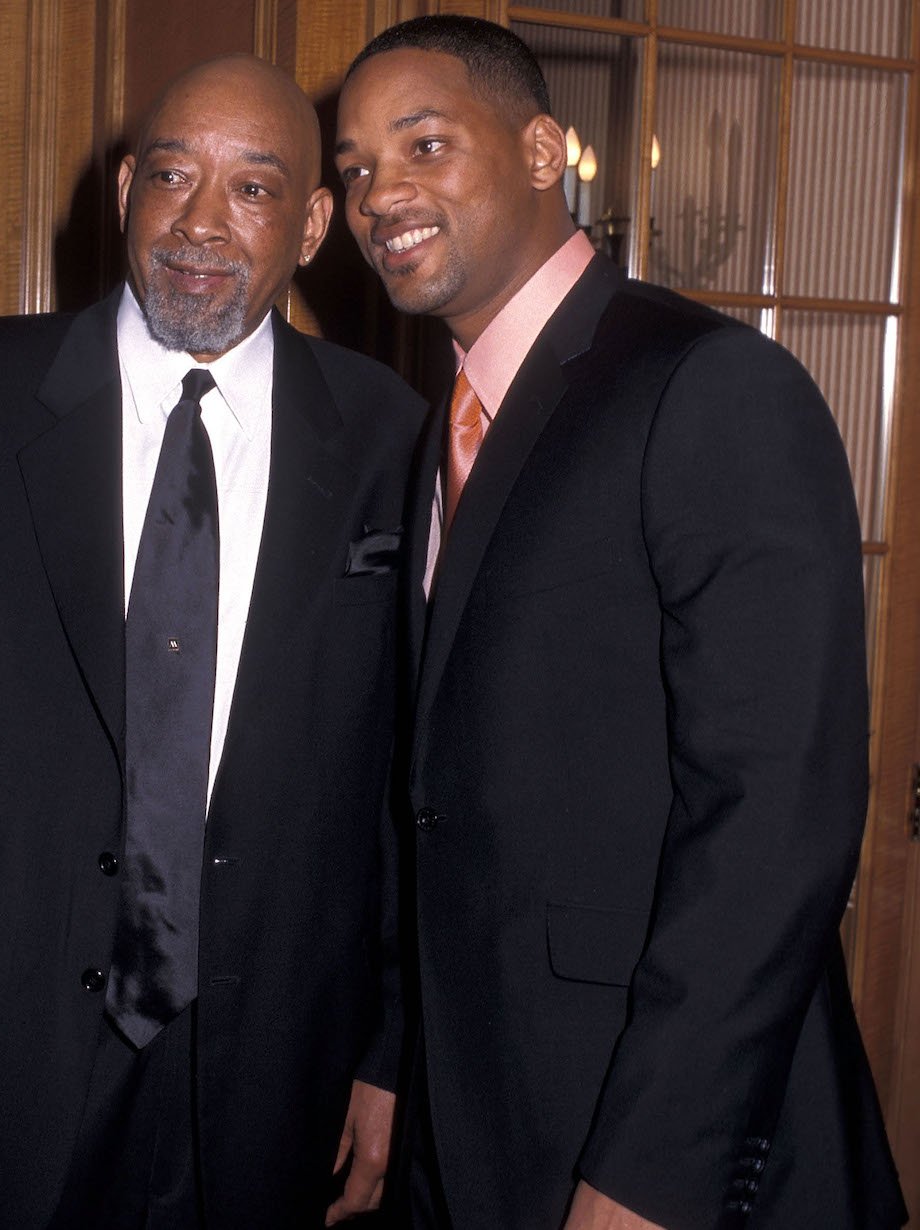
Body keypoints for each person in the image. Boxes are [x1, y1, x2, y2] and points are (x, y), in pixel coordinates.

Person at [0, 53, 423, 1230]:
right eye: (171, 176)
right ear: (122, 194)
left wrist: (394, 1051)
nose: (200, 222)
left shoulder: (392, 439)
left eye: (253, 189)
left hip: (279, 1083)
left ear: (312, 227)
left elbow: (410, 789)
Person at [335, 15, 907, 1230]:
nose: (380, 194)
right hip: (472, 1115)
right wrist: (396, 1055)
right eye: (356, 167)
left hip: (653, 1140)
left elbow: (779, 816)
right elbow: (432, 797)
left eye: (424, 145)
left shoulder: (708, 384)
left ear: (544, 151)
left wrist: (653, 1169)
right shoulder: (434, 433)